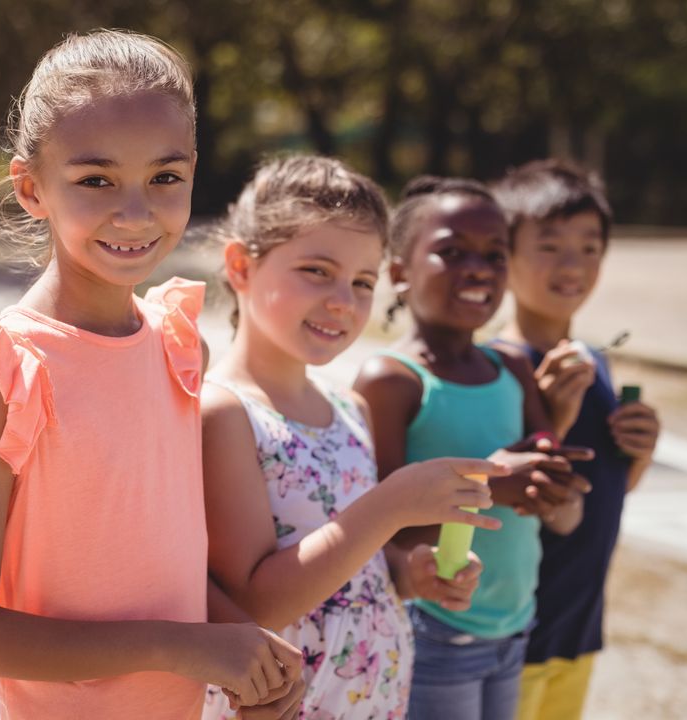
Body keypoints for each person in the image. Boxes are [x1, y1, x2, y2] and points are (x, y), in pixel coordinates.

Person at [0, 30, 301, 720]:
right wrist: (181, 647)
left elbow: (167, 566)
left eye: (164, 178)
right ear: (31, 188)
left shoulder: (175, 341)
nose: (136, 212)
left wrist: (237, 647)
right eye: (96, 180)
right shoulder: (9, 367)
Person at [199, 155, 510, 720]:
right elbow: (254, 601)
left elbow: (360, 565)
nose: (343, 300)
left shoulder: (351, 407)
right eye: (317, 270)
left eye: (363, 281)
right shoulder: (224, 412)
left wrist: (408, 573)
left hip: (373, 700)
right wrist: (390, 506)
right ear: (241, 266)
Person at [353, 176, 592, 720]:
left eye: (495, 254)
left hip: (513, 626)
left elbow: (552, 501)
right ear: (399, 273)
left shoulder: (512, 368)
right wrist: (492, 487)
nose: (479, 268)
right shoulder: (392, 380)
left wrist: (556, 491)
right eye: (451, 252)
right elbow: (372, 529)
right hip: (435, 625)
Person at [491, 159, 661, 720]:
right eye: (551, 245)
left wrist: (640, 453)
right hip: (514, 636)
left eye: (590, 248)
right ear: (504, 256)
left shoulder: (596, 364)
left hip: (578, 629)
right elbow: (501, 498)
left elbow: (609, 488)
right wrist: (548, 423)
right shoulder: (496, 369)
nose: (574, 265)